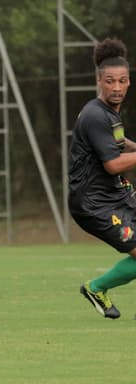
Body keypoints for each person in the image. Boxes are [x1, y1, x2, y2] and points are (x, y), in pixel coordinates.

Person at [71, 37, 136, 320]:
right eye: (110, 81)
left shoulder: (111, 115)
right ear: (99, 80)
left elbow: (120, 144)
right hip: (93, 202)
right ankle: (96, 287)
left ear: (129, 82)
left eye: (122, 81)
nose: (117, 87)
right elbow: (112, 164)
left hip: (116, 194)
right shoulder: (95, 115)